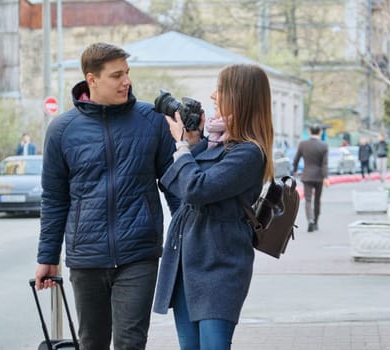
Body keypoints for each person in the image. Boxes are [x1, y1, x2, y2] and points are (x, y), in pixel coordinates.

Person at [34, 42, 180, 350]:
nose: (126, 81)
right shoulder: (63, 130)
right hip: (86, 256)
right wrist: (48, 256)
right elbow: (54, 198)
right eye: (116, 75)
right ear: (92, 79)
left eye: (127, 73)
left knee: (130, 342)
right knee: (92, 343)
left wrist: (189, 242)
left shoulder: (151, 120)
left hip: (139, 253)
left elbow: (175, 187)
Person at [153, 64, 275, 350]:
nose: (212, 95)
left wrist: (182, 147)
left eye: (220, 90)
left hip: (220, 262)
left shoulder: (248, 152)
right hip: (187, 258)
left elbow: (197, 189)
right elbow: (175, 184)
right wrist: (194, 142)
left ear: (239, 96)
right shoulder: (215, 143)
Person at [293, 124, 330, 232]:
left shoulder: (303, 144)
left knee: (308, 200)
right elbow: (325, 164)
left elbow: (296, 159)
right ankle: (316, 222)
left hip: (307, 175)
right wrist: (326, 177)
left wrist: (295, 169)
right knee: (317, 200)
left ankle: (310, 220)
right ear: (320, 133)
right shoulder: (324, 145)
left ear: (310, 132)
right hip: (319, 176)